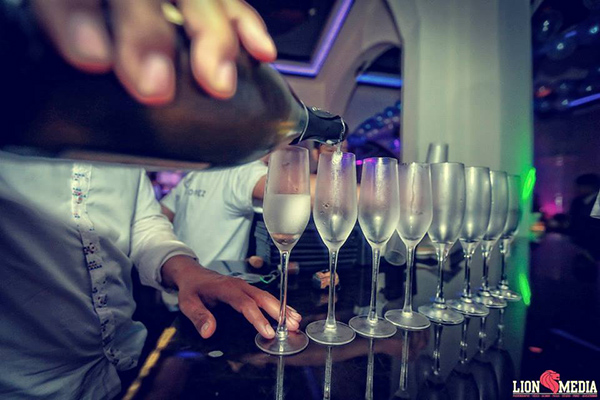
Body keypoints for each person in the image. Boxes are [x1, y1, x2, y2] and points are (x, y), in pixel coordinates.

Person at [160, 160, 267, 268]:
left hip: (209, 274)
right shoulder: (194, 174)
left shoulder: (242, 170)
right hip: (182, 272)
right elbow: (162, 215)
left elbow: (274, 192)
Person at [569, 173, 600, 260]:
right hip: (578, 244)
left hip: (594, 246)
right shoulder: (577, 201)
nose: (578, 189)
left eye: (581, 186)